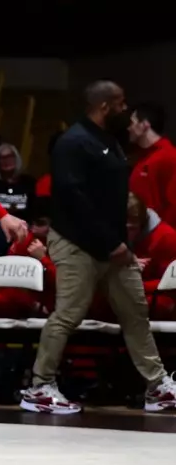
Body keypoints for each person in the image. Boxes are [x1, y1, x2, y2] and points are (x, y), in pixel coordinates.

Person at [20, 81, 176, 414]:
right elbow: (74, 199)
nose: (126, 111)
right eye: (121, 104)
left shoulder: (109, 141)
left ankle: (157, 387)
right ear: (105, 106)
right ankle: (39, 387)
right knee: (68, 313)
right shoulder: (73, 142)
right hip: (77, 242)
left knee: (135, 311)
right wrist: (110, 243)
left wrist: (117, 243)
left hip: (113, 246)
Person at [128, 102, 175, 220]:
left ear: (144, 125)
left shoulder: (168, 156)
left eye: (132, 122)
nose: (129, 128)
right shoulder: (143, 157)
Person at [0, 143, 37, 220]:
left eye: (9, 156)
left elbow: (35, 211)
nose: (6, 161)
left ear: (16, 158)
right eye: (2, 158)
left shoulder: (29, 182)